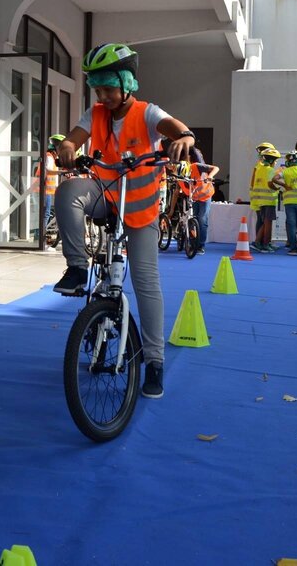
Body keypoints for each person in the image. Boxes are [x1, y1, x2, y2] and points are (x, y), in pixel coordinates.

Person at [52, 42, 196, 399]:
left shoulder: (147, 113)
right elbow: (73, 140)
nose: (103, 95)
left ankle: (154, 361)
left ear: (127, 82)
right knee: (68, 193)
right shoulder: (96, 112)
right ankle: (75, 266)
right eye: (97, 88)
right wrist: (67, 149)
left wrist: (186, 138)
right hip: (107, 195)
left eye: (108, 87)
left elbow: (176, 128)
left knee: (146, 282)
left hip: (141, 209)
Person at [32, 134, 65, 244]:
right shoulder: (50, 157)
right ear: (54, 150)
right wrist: (61, 172)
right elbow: (48, 171)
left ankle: (40, 236)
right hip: (44, 190)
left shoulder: (50, 157)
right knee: (45, 214)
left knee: (44, 213)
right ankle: (40, 238)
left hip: (46, 190)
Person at [250, 146, 281, 252]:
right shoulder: (270, 170)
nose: (276, 162)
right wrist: (278, 188)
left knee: (264, 222)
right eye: (275, 160)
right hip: (269, 200)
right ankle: (265, 244)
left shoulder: (259, 169)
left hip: (260, 201)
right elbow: (270, 183)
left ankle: (258, 242)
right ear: (272, 160)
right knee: (268, 223)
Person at [189, 149, 219, 254]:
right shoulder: (185, 169)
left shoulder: (197, 165)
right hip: (195, 197)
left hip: (205, 195)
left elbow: (216, 168)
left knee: (202, 219)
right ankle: (193, 243)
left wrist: (210, 176)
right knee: (194, 219)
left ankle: (200, 245)